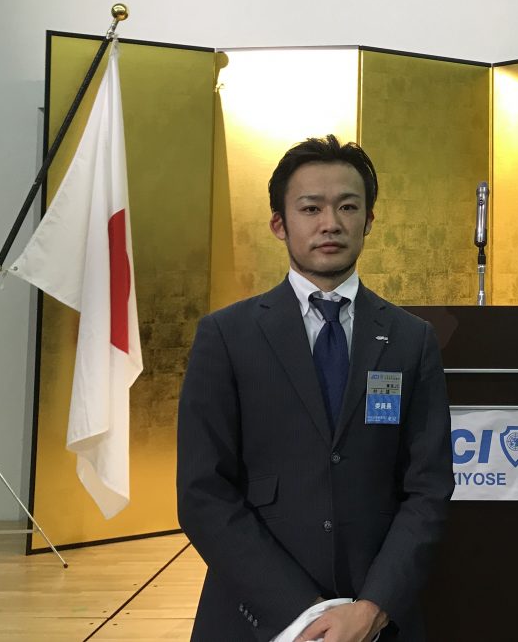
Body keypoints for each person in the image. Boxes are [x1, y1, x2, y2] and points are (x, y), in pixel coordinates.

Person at [178, 135, 453, 642]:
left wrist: (372, 607)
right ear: (279, 224)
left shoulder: (411, 339)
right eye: (311, 208)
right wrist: (301, 614)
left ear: (369, 221)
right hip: (255, 616)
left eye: (348, 206)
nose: (331, 223)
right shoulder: (226, 336)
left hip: (375, 618)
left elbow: (428, 488)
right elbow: (202, 492)